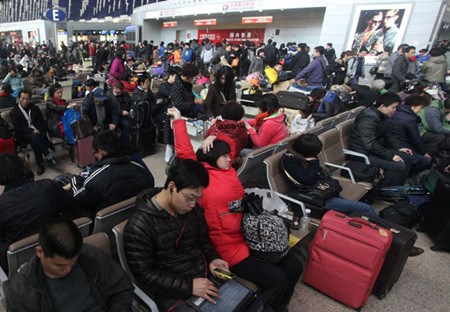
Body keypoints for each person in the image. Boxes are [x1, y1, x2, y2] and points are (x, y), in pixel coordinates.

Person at [167, 108, 303, 312]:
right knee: (277, 279)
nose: (230, 158)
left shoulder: (228, 170)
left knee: (294, 266)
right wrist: (178, 120)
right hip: (226, 245)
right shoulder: (201, 177)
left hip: (248, 234)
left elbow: (230, 142)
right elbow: (185, 152)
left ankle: (279, 304)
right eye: (224, 156)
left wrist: (213, 135)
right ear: (212, 157)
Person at [124, 158, 230, 310]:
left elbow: (203, 239)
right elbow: (146, 275)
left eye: (197, 198)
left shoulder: (192, 210)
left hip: (201, 275)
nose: (193, 205)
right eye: (190, 198)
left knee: (241, 298)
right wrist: (189, 286)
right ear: (172, 187)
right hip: (170, 291)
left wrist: (213, 258)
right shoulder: (139, 226)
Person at [6, 218, 134, 311]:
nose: (68, 269)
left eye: (73, 262)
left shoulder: (90, 256)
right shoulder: (21, 291)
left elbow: (122, 289)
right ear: (40, 252)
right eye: (60, 266)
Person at [282, 134, 376, 225]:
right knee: (365, 209)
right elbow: (308, 181)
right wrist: (314, 162)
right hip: (315, 198)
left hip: (325, 192)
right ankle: (380, 232)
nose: (316, 155)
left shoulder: (303, 155)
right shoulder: (290, 161)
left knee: (354, 214)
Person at [0, 153, 66, 273]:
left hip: (24, 268)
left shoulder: (2, 205)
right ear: (24, 167)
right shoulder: (48, 186)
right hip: (61, 250)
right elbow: (73, 211)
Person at [68, 131, 151, 216]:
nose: (95, 156)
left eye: (95, 152)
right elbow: (150, 185)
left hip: (104, 222)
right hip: (134, 216)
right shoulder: (140, 168)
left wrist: (75, 180)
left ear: (101, 152)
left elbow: (80, 200)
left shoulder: (97, 179)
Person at [348, 92, 415, 186]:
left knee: (407, 157)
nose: (395, 110)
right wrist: (391, 156)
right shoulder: (369, 119)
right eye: (393, 107)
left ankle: (398, 187)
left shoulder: (381, 116)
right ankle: (386, 193)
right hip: (362, 152)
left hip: (374, 149)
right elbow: (369, 144)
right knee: (398, 166)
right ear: (383, 106)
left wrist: (398, 148)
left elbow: (387, 134)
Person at [10, 90, 57, 176]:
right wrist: (32, 131)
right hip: (23, 135)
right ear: (19, 98)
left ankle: (41, 164)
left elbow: (42, 122)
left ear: (30, 99)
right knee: (35, 137)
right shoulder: (14, 112)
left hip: (37, 133)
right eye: (23, 98)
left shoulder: (34, 108)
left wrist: (39, 130)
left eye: (27, 99)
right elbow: (19, 128)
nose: (25, 101)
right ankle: (48, 156)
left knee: (35, 140)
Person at [388, 94, 432, 175]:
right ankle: (408, 176)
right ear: (413, 106)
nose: (420, 111)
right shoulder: (410, 119)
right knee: (426, 160)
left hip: (393, 143)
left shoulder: (397, 111)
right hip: (401, 146)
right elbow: (416, 139)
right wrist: (424, 153)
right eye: (420, 108)